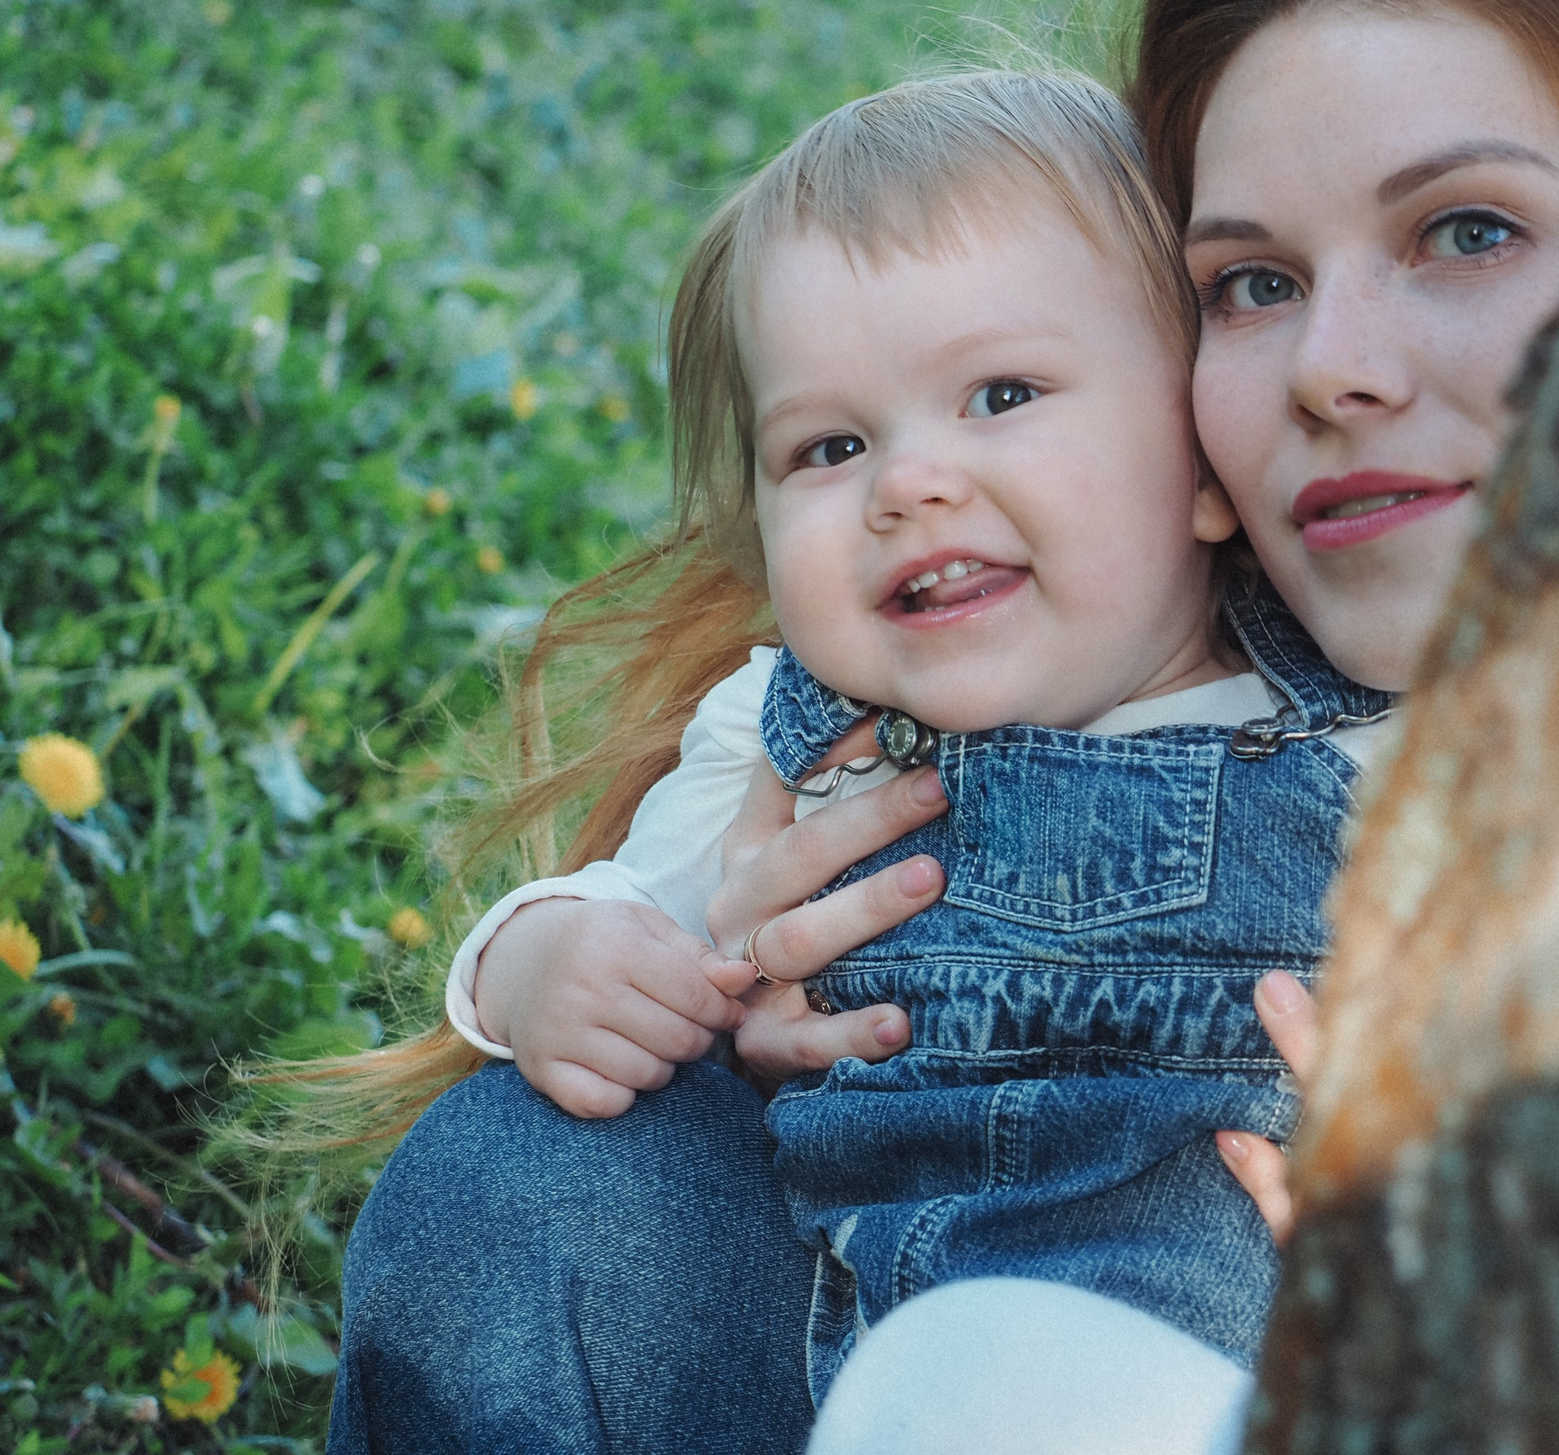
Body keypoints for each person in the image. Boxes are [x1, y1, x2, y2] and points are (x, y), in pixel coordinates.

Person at [323, 0, 1559, 1455]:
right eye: (1252, 283)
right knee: (525, 1187)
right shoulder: (904, 705)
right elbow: (638, 926)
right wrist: (678, 1000)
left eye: (1470, 230)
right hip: (849, 1315)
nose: (1331, 368)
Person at [444, 67, 1393, 1388]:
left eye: (1002, 395)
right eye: (828, 449)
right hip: (836, 1355)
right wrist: (537, 961)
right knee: (484, 1181)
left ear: (1206, 460)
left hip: (1185, 1380)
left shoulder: (1362, 744)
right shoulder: (790, 739)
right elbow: (634, 915)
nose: (907, 485)